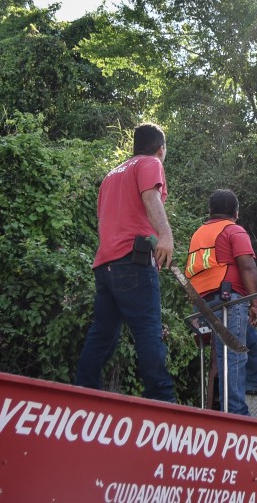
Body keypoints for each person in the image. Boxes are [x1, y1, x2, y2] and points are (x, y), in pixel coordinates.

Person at [75, 123, 177, 403]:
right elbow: (150, 197)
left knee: (103, 333)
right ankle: (161, 401)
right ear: (161, 149)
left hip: (106, 264)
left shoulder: (111, 175)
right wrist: (166, 235)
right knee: (148, 330)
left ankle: (82, 393)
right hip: (133, 262)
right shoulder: (150, 163)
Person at [185, 189, 257, 415]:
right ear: (236, 212)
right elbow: (247, 266)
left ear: (210, 211)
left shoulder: (199, 233)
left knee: (244, 343)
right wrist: (255, 304)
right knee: (233, 357)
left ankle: (254, 389)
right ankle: (236, 415)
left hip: (202, 305)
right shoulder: (233, 230)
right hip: (227, 302)